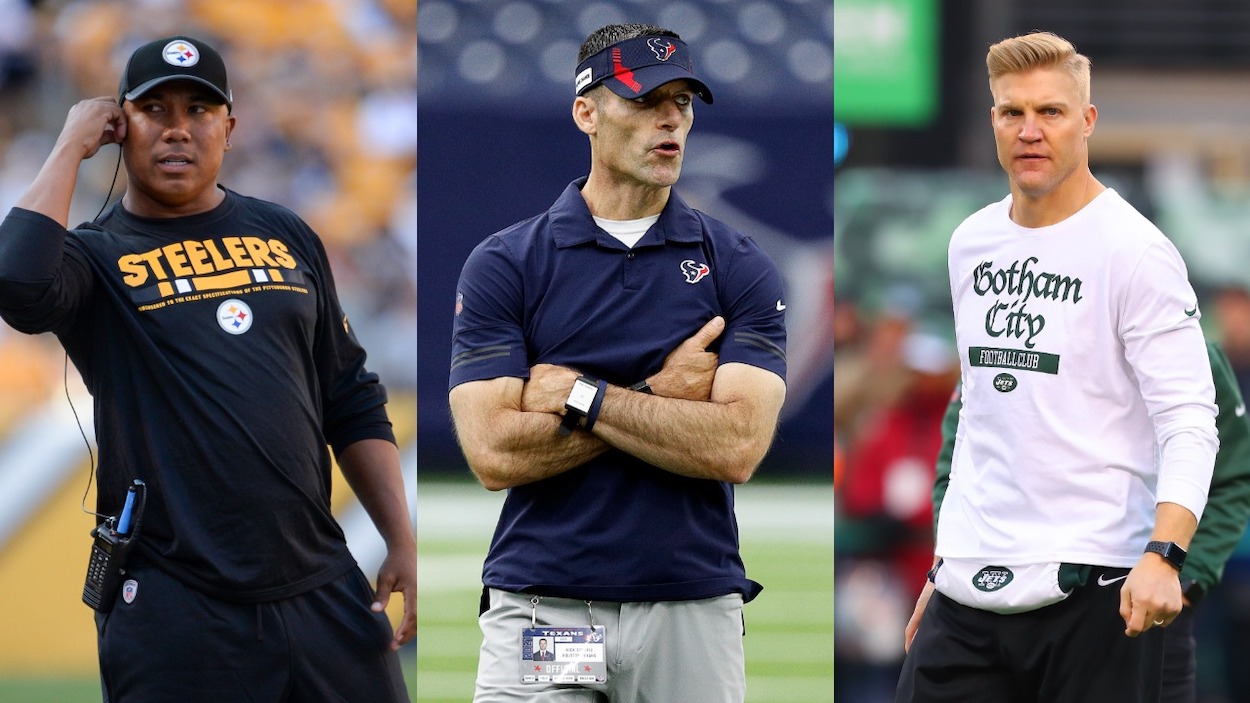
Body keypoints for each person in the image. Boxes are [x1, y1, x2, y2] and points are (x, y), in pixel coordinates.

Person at [0, 35, 415, 701]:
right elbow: (16, 285)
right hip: (177, 603)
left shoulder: (286, 232)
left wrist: (399, 536)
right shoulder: (96, 256)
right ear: (119, 124)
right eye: (153, 110)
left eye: (198, 110)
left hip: (321, 588)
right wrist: (70, 145)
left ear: (229, 126)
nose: (176, 130)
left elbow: (349, 394)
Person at [447, 22, 787, 703]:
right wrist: (660, 393)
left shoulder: (738, 262)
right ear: (587, 112)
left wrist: (581, 396)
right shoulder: (506, 262)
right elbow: (493, 454)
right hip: (548, 601)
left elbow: (738, 446)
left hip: (689, 600)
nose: (671, 120)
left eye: (684, 102)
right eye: (645, 99)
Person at [895, 31, 1219, 703]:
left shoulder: (1136, 251)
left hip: (1094, 583)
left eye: (1051, 111)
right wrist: (945, 560)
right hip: (969, 585)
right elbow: (982, 414)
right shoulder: (970, 242)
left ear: (1088, 121)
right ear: (993, 121)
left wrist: (1165, 554)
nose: (1029, 130)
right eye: (1012, 112)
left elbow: (1190, 419)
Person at [923, 340, 1250, 703]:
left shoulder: (1175, 336)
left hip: (1138, 607)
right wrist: (951, 558)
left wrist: (1183, 575)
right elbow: (958, 465)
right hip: (989, 602)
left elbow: (1232, 477)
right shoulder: (1001, 336)